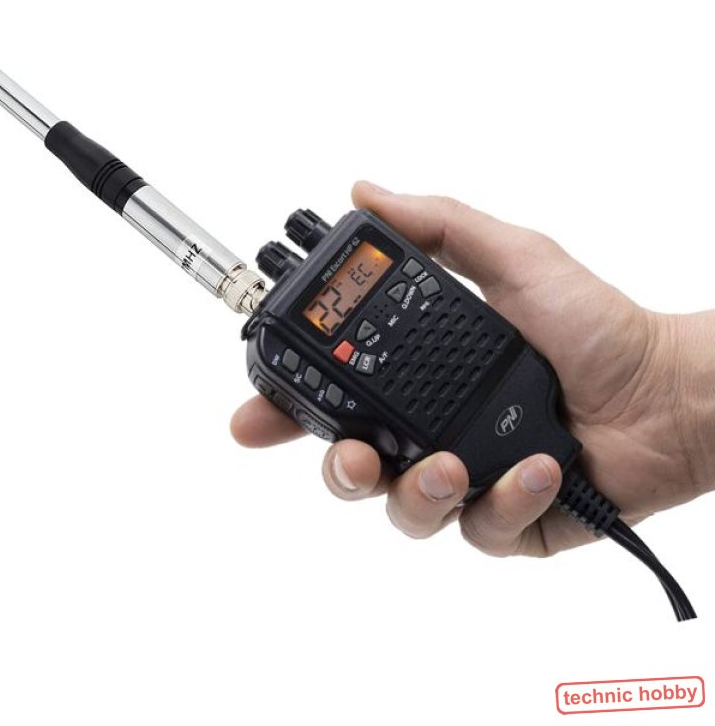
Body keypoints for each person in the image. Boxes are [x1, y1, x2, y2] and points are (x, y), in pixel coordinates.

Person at [230, 181, 715, 557]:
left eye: (362, 276)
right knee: (379, 468)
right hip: (462, 426)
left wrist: (659, 379)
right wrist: (673, 410)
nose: (359, 308)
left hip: (506, 384)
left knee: (403, 472)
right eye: (329, 311)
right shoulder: (278, 340)